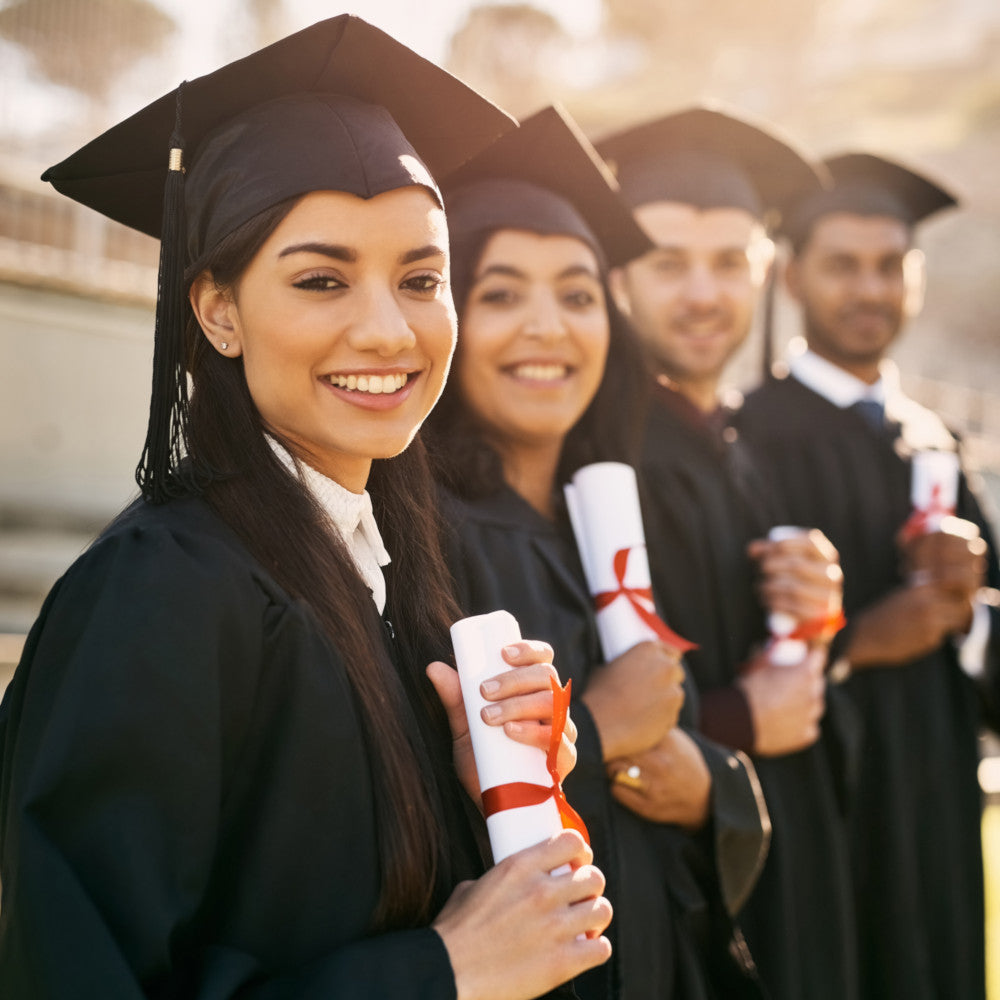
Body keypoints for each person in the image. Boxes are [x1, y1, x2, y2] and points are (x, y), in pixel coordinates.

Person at [0, 17, 615, 999]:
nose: (388, 330)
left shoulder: (386, 574)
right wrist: (443, 970)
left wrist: (480, 789)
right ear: (218, 310)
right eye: (322, 280)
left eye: (421, 279)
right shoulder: (158, 594)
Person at [425, 104, 771, 1000]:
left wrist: (715, 789)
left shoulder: (611, 524)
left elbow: (683, 762)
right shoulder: (424, 539)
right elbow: (408, 821)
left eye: (579, 295)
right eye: (501, 294)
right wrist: (602, 732)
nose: (549, 327)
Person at [595, 106, 858, 1000]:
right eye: (668, 263)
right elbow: (581, 716)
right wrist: (741, 720)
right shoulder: (597, 457)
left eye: (729, 262)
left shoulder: (743, 449)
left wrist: (815, 618)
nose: (703, 294)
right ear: (619, 275)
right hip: (673, 914)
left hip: (790, 888)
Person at [738, 151, 1000, 1000]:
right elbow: (723, 649)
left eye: (891, 266)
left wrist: (968, 616)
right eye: (843, 265)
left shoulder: (935, 440)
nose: (870, 289)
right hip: (822, 826)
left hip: (941, 818)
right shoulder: (748, 439)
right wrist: (856, 643)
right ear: (791, 277)